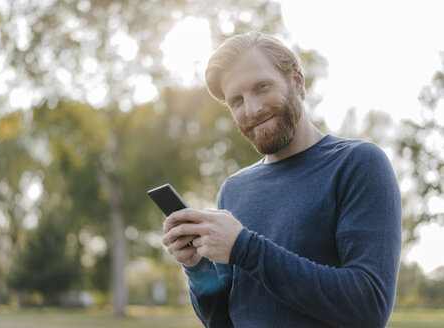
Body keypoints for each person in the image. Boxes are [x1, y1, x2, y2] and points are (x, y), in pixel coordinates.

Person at [162, 31, 401, 328]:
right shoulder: (234, 190)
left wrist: (243, 247)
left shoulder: (358, 163)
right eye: (236, 100)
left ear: (297, 81)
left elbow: (370, 307)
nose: (252, 109)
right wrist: (197, 268)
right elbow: (223, 320)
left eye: (262, 87)